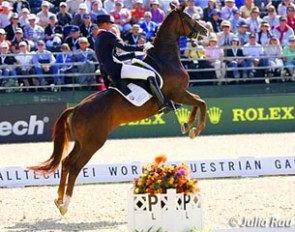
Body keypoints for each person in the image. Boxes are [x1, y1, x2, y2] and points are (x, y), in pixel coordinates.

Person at [95, 14, 173, 110]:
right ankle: (163, 104)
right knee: (150, 74)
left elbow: (116, 56)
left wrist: (134, 54)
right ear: (104, 24)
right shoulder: (108, 34)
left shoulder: (98, 38)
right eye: (110, 24)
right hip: (116, 69)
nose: (111, 26)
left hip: (106, 71)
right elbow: (124, 47)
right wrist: (142, 47)